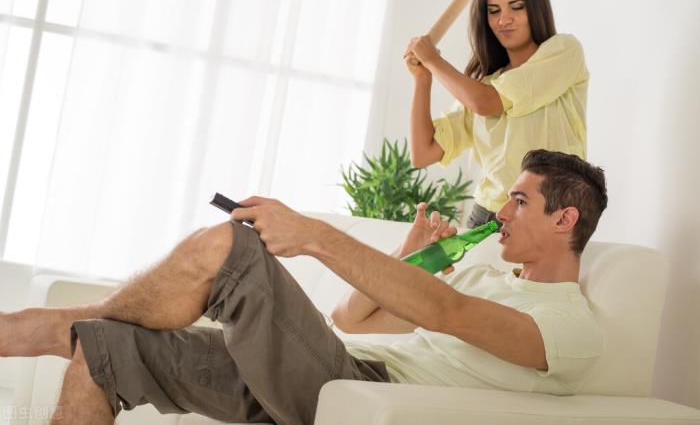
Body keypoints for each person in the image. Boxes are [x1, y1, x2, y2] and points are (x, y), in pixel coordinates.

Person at [0, 149, 607, 425]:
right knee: (101, 349)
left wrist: (313, 234)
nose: (501, 212)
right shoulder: (479, 275)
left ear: (565, 219)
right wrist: (407, 257)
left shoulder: (570, 328)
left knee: (232, 246)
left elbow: (447, 312)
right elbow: (352, 320)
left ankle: (39, 326)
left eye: (519, 201)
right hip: (333, 366)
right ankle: (64, 327)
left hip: (360, 390)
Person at [405, 0, 589, 228]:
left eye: (517, 7)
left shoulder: (564, 51)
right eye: (494, 11)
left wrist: (433, 60)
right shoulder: (482, 86)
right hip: (487, 216)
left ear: (536, 8)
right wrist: (423, 78)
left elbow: (488, 103)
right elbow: (423, 153)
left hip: (549, 216)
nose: (503, 19)